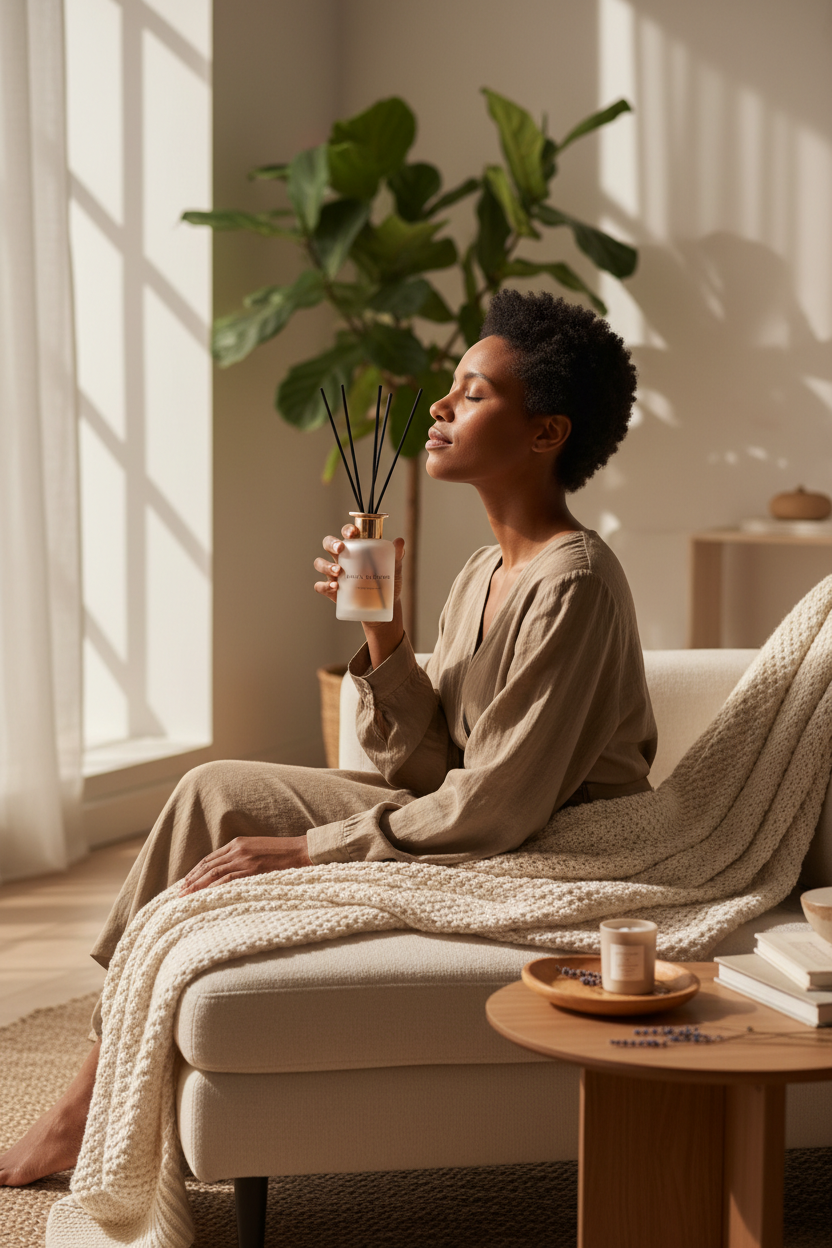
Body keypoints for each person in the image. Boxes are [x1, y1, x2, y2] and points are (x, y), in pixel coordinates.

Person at [0, 289, 656, 1186]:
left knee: (241, 817)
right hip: (479, 815)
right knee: (213, 790)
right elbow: (429, 769)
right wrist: (384, 631)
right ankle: (103, 1071)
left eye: (472, 391)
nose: (439, 405)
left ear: (546, 434)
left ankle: (82, 1111)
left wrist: (308, 847)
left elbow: (499, 804)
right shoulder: (481, 572)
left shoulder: (572, 583)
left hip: (560, 842)